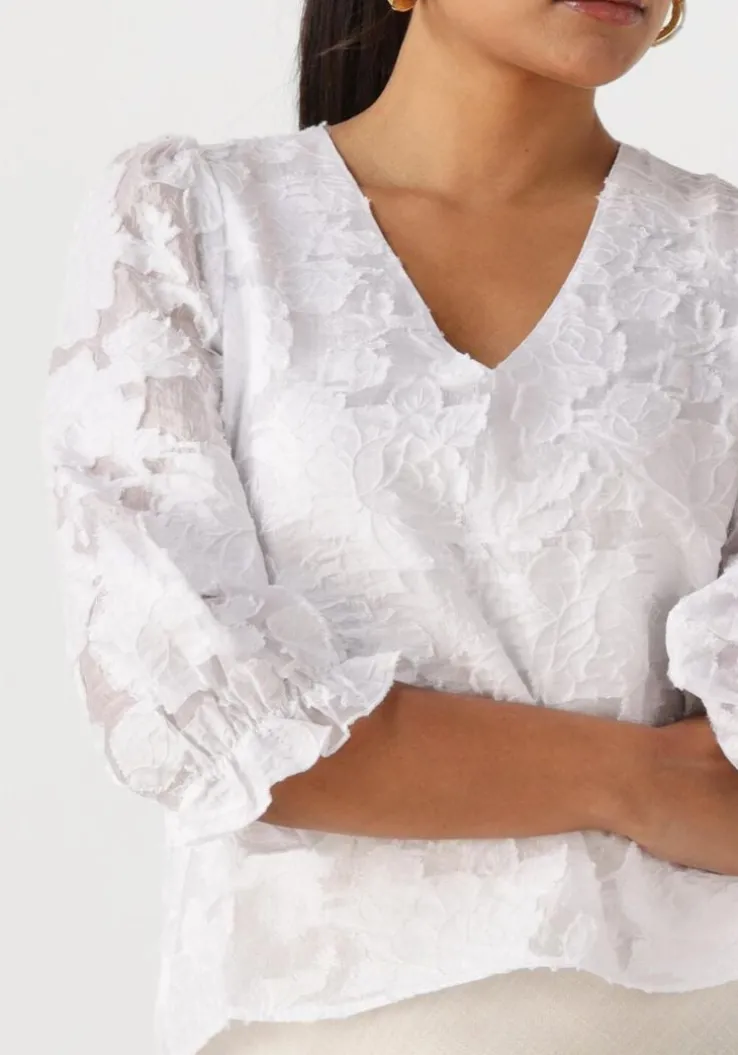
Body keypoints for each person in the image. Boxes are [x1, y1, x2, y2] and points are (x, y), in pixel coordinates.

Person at [40, 0, 738, 1053]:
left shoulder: (719, 261)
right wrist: (637, 779)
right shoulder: (195, 223)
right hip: (315, 1020)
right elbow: (192, 709)